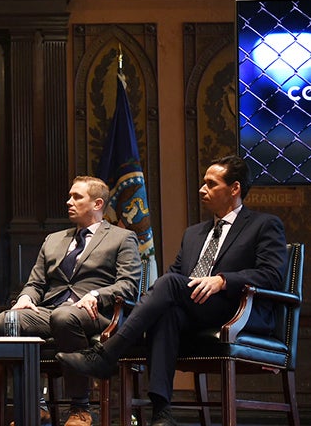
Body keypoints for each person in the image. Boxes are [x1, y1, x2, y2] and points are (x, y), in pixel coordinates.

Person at [56, 156, 287, 426]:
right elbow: (176, 276)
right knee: (166, 313)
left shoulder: (263, 225)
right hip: (195, 309)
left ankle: (107, 354)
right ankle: (162, 412)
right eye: (202, 183)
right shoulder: (194, 233)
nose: (202, 189)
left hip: (237, 309)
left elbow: (272, 275)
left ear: (234, 188)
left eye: (211, 184)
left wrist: (222, 280)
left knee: (169, 284)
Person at [0, 175, 141, 426]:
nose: (68, 201)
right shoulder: (54, 239)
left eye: (76, 197)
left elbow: (129, 285)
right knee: (6, 320)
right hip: (50, 309)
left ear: (97, 204)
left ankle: (80, 408)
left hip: (95, 313)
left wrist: (95, 295)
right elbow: (36, 283)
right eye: (70, 196)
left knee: (65, 316)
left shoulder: (121, 238)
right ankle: (33, 405)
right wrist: (26, 298)